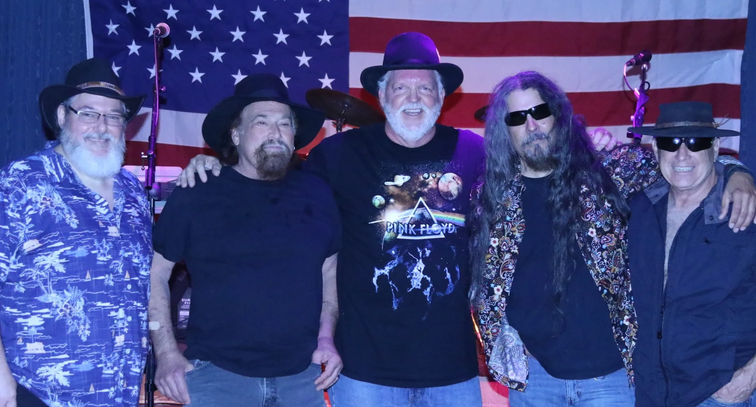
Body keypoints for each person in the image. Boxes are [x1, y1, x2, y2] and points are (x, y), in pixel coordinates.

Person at [178, 32, 487, 407]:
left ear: (441, 96)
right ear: (381, 95)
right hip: (363, 372)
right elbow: (267, 188)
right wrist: (216, 164)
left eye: (425, 88)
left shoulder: (476, 153)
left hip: (453, 369)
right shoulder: (337, 154)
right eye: (401, 88)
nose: (413, 98)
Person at [469, 71, 756, 406]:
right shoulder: (491, 197)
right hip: (535, 382)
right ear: (504, 128)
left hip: (612, 381)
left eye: (539, 112)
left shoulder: (608, 170)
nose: (532, 125)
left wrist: (735, 171)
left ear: (557, 115)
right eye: (518, 117)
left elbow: (684, 163)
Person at [147, 74, 343, 407]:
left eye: (285, 124)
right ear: (236, 134)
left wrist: (326, 338)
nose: (275, 133)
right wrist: (165, 353)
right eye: (261, 122)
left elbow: (329, 271)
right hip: (217, 379)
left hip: (301, 381)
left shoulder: (317, 193)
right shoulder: (198, 192)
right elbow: (155, 274)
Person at [0, 58, 151, 406]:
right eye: (88, 113)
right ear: (61, 116)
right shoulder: (22, 182)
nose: (102, 126)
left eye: (114, 116)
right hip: (37, 392)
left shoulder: (133, 194)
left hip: (120, 392)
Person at [627, 102, 756, 407]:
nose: (682, 154)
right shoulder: (640, 209)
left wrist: (751, 376)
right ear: (656, 148)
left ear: (714, 148)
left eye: (696, 141)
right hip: (651, 392)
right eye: (671, 142)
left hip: (720, 394)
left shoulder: (753, 215)